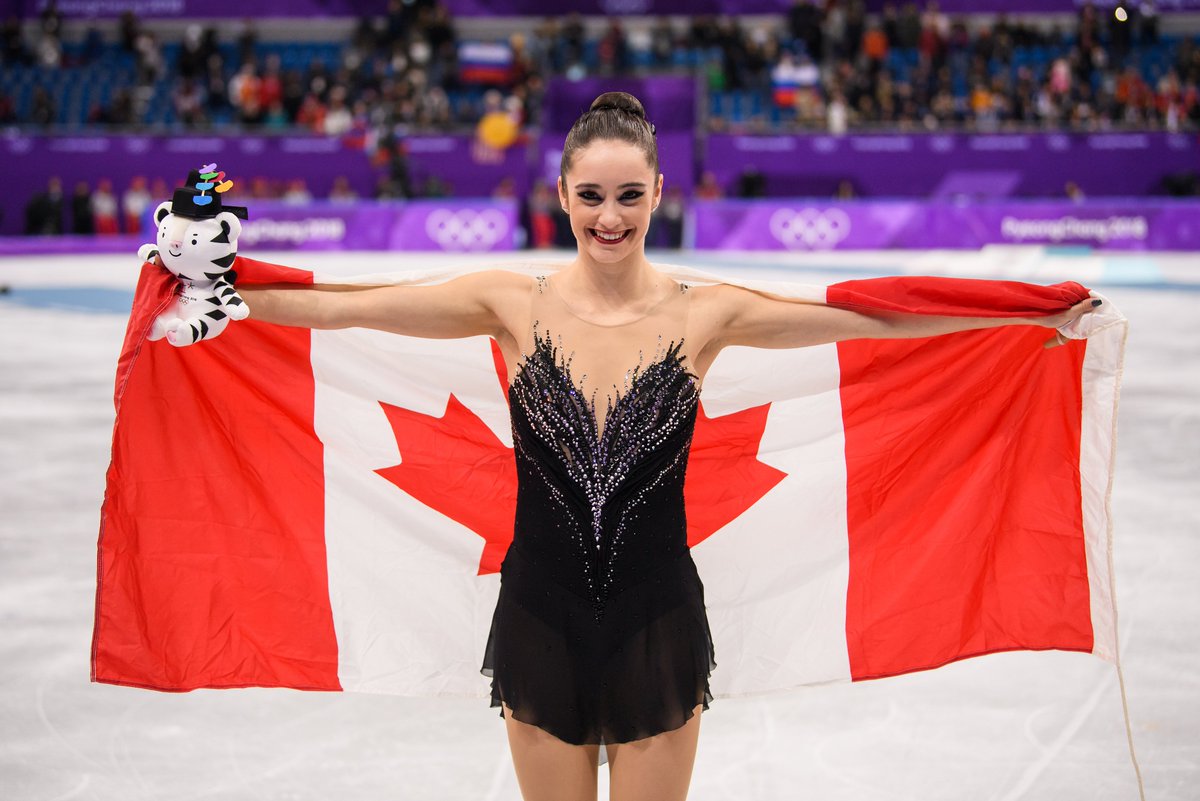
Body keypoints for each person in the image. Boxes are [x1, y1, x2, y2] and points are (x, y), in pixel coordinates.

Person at [151, 92, 1098, 801]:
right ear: (561, 192)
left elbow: (866, 321)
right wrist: (221, 285)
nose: (611, 216)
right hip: (540, 619)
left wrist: (1017, 319)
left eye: (629, 196)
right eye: (593, 195)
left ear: (658, 195)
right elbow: (352, 305)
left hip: (656, 623)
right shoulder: (507, 302)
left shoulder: (707, 313)